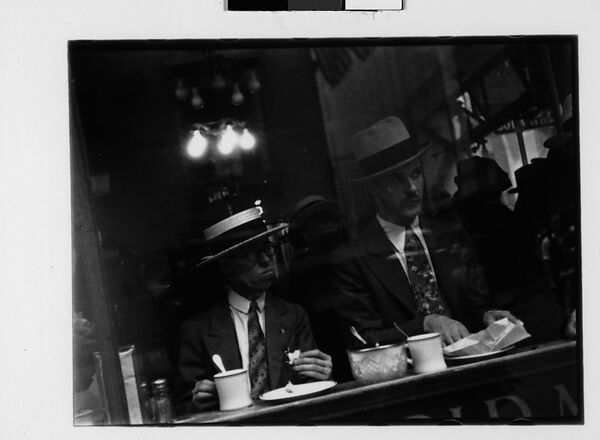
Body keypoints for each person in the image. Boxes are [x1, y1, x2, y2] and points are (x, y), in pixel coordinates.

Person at [330, 116, 520, 347]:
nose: (412, 188)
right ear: (373, 187)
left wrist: (486, 316)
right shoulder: (352, 260)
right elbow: (363, 339)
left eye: (416, 174)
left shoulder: (450, 234)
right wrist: (424, 325)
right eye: (397, 180)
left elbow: (474, 303)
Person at [175, 203, 332, 413]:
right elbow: (184, 407)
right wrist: (199, 401)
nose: (266, 260)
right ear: (225, 266)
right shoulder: (197, 330)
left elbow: (312, 386)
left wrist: (322, 374)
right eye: (252, 253)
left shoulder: (294, 316)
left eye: (268, 248)